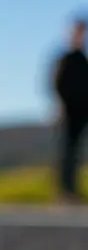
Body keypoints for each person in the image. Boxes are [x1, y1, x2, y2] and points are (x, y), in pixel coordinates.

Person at [52, 17, 88, 204]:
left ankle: (72, 190)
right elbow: (56, 84)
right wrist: (61, 105)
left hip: (82, 114)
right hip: (68, 113)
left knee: (76, 153)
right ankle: (64, 192)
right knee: (66, 152)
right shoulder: (65, 59)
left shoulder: (83, 60)